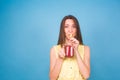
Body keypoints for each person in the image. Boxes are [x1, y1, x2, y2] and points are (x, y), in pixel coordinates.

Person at [49, 15, 90, 80]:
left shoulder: (86, 49)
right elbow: (52, 78)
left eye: (73, 26)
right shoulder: (54, 50)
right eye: (66, 27)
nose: (70, 30)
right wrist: (60, 58)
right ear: (63, 30)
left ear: (77, 30)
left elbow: (86, 75)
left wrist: (76, 50)